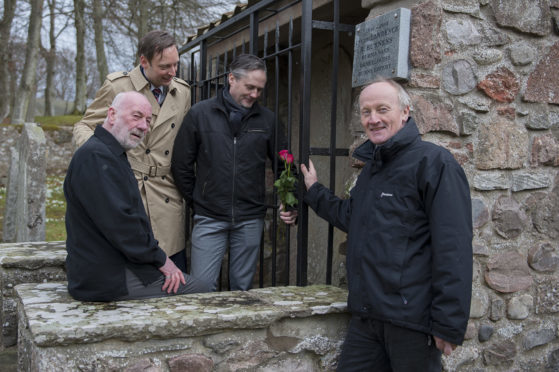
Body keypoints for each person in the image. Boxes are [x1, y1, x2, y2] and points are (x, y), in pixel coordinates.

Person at [296, 78, 473, 371]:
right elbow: (352, 218)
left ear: (405, 112)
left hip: (412, 323)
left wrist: (448, 323)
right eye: (366, 112)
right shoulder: (373, 169)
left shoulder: (434, 164)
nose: (373, 119)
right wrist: (314, 190)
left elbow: (453, 247)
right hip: (368, 319)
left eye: (382, 109)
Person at [64, 92, 209, 301]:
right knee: (201, 293)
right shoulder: (96, 157)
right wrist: (162, 261)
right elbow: (122, 225)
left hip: (115, 267)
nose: (143, 126)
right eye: (136, 116)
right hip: (106, 277)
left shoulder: (109, 153)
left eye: (148, 121)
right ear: (112, 114)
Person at [172, 54, 297, 291]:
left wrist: (291, 200)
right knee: (201, 288)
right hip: (209, 217)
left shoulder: (268, 120)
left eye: (259, 89)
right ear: (231, 79)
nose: (255, 94)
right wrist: (199, 200)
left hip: (250, 218)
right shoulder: (200, 114)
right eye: (250, 87)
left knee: (242, 290)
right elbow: (181, 165)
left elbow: (285, 165)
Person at [72, 30, 191, 272]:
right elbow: (84, 125)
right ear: (143, 61)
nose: (172, 72)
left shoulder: (183, 91)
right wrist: (101, 159)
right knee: (131, 264)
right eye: (165, 66)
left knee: (172, 273)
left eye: (176, 64)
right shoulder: (118, 86)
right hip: (129, 184)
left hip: (167, 191)